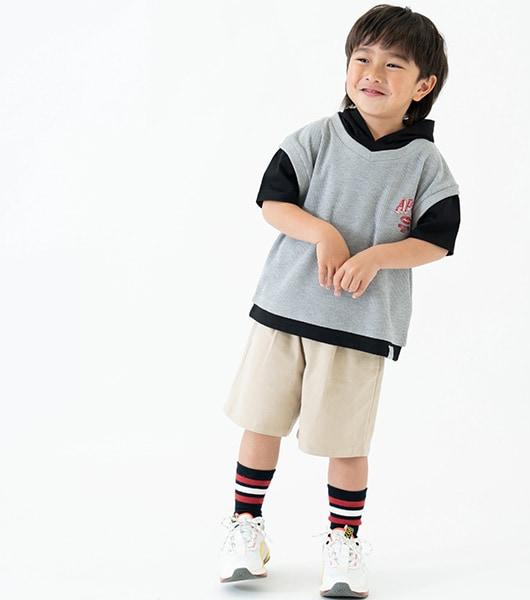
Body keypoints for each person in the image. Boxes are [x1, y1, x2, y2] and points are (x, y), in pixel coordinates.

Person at [219, 4, 461, 596]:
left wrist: (377, 257)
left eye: (393, 64)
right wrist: (323, 233)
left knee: (346, 442)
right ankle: (246, 527)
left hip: (360, 326)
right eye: (363, 59)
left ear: (422, 85)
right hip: (285, 310)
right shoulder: (316, 137)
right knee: (261, 422)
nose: (372, 73)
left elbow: (436, 240)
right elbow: (273, 202)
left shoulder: (426, 163)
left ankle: (343, 544)